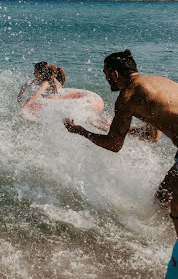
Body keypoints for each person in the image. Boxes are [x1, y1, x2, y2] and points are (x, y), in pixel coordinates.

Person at [63, 49, 178, 276]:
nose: (106, 79)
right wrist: (109, 128)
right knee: (163, 196)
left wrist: (81, 132)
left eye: (106, 74)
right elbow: (152, 136)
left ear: (115, 74)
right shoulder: (156, 83)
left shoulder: (128, 95)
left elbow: (114, 146)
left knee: (172, 205)